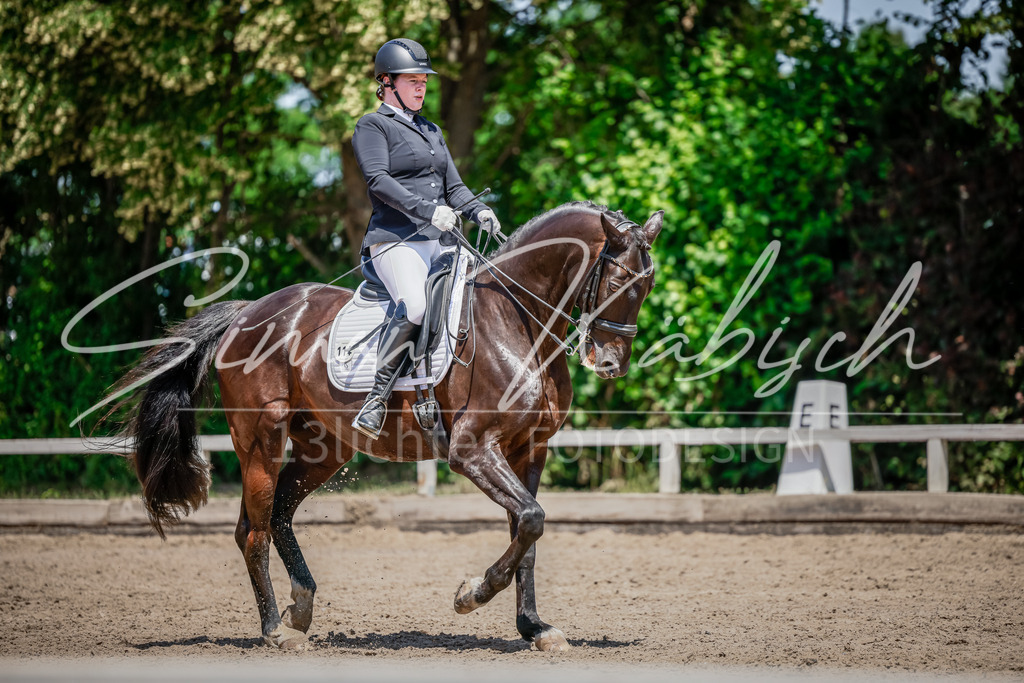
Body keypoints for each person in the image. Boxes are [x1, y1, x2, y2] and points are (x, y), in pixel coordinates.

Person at [350, 38, 501, 440]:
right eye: (413, 80)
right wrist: (428, 210)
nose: (421, 87)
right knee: (415, 304)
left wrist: (478, 210)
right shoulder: (372, 125)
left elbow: (456, 187)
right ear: (386, 82)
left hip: (441, 240)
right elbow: (379, 181)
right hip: (395, 240)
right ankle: (376, 399)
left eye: (424, 81)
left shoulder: (432, 131)